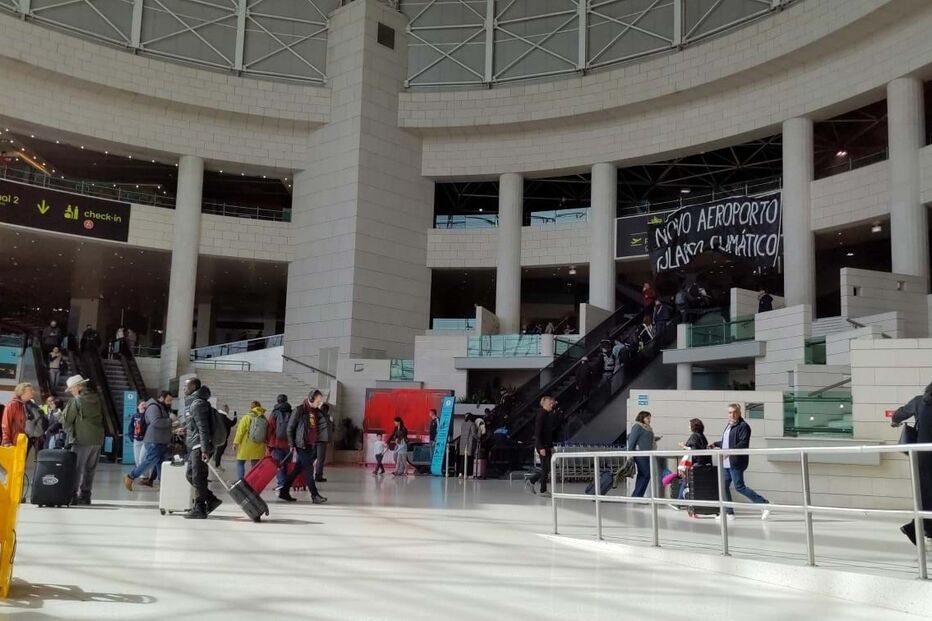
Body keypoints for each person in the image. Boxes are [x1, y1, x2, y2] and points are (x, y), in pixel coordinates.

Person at [711, 403, 770, 521]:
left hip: (736, 461)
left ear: (739, 413)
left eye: (734, 412)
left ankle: (764, 503)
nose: (732, 414)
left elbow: (743, 443)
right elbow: (726, 441)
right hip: (727, 462)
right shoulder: (729, 425)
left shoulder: (743, 426)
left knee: (739, 487)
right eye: (730, 412)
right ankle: (729, 513)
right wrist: (715, 444)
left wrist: (730, 452)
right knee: (723, 486)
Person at [891, 381, 932, 546]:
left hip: (922, 455)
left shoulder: (919, 401)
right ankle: (916, 528)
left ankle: (919, 528)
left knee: (927, 493)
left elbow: (897, 415)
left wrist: (895, 422)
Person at [182, 377, 223, 519]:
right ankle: (211, 500)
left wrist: (205, 449)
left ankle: (200, 507)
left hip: (200, 445)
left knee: (198, 476)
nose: (184, 388)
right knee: (191, 475)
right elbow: (196, 425)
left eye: (186, 386)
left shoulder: (197, 404)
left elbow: (203, 428)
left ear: (193, 387)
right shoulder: (194, 403)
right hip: (196, 444)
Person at [61, 375, 105, 505]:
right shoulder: (97, 399)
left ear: (78, 387)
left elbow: (66, 420)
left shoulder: (76, 401)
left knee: (77, 468)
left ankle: (72, 495)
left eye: (72, 389)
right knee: (90, 469)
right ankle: (86, 496)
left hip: (82, 438)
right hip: (97, 439)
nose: (71, 392)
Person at [279, 390, 328, 504]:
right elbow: (290, 428)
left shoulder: (316, 412)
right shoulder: (299, 410)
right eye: (318, 401)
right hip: (301, 445)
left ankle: (284, 491)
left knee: (297, 469)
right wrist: (292, 444)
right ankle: (314, 495)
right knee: (309, 469)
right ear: (311, 399)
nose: (320, 404)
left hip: (311, 445)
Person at [124, 391, 174, 491]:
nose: (169, 403)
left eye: (171, 401)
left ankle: (162, 484)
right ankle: (130, 476)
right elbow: (155, 422)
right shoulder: (153, 407)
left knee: (160, 463)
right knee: (150, 461)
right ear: (161, 398)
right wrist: (170, 420)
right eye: (168, 400)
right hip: (154, 441)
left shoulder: (161, 407)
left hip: (160, 440)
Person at [526, 396, 559, 496]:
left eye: (552, 404)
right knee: (546, 468)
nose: (551, 405)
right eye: (550, 404)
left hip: (547, 445)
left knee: (547, 468)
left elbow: (548, 433)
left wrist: (551, 446)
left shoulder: (548, 415)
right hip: (542, 445)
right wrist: (540, 447)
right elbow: (537, 433)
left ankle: (533, 482)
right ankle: (542, 489)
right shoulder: (541, 415)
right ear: (544, 404)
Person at [233, 401, 267, 480]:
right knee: (255, 465)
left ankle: (240, 481)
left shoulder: (247, 417)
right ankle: (253, 482)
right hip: (259, 445)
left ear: (251, 408)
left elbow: (240, 431)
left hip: (246, 445)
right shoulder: (263, 418)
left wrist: (236, 442)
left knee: (240, 463)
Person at [266, 394, 293, 490]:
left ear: (277, 401)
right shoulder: (292, 412)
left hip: (276, 443)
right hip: (289, 444)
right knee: (287, 464)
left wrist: (268, 442)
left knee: (278, 464)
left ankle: (281, 483)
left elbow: (270, 428)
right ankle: (286, 484)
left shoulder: (275, 413)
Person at [627, 411, 656, 498]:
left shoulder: (648, 428)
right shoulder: (637, 426)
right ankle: (637, 496)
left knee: (642, 475)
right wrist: (630, 454)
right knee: (646, 474)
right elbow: (632, 440)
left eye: (650, 418)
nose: (649, 420)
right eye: (647, 418)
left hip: (646, 454)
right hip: (640, 455)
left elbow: (644, 439)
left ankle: (637, 496)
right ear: (642, 418)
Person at [1, 382, 32, 447]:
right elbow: (5, 423)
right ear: (22, 392)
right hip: (13, 442)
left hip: (22, 441)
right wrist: (7, 440)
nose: (32, 392)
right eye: (30, 391)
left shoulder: (26, 405)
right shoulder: (12, 405)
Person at [314, 402, 333, 482]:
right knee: (320, 459)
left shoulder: (315, 416)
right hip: (321, 440)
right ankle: (318, 476)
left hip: (314, 440)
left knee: (312, 458)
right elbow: (328, 430)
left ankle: (306, 474)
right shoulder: (325, 417)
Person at [213, 405, 235, 470]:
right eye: (228, 410)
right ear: (225, 410)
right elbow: (232, 423)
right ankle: (217, 465)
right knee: (220, 451)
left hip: (215, 437)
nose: (228, 411)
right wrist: (235, 417)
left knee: (217, 451)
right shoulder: (224, 418)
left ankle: (216, 459)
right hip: (222, 438)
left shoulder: (216, 416)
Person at [128, 399, 148, 467]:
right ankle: (140, 474)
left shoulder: (147, 415)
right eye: (142, 405)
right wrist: (132, 438)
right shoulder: (135, 416)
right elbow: (130, 427)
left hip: (145, 440)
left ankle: (144, 476)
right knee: (137, 460)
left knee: (142, 459)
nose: (144, 406)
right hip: (136, 440)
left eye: (145, 405)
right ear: (138, 406)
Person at [456, 413, 476, 478]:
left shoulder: (463, 423)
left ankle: (460, 473)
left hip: (462, 443)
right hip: (468, 444)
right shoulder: (472, 424)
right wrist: (478, 438)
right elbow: (473, 434)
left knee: (462, 459)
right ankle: (468, 474)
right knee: (469, 459)